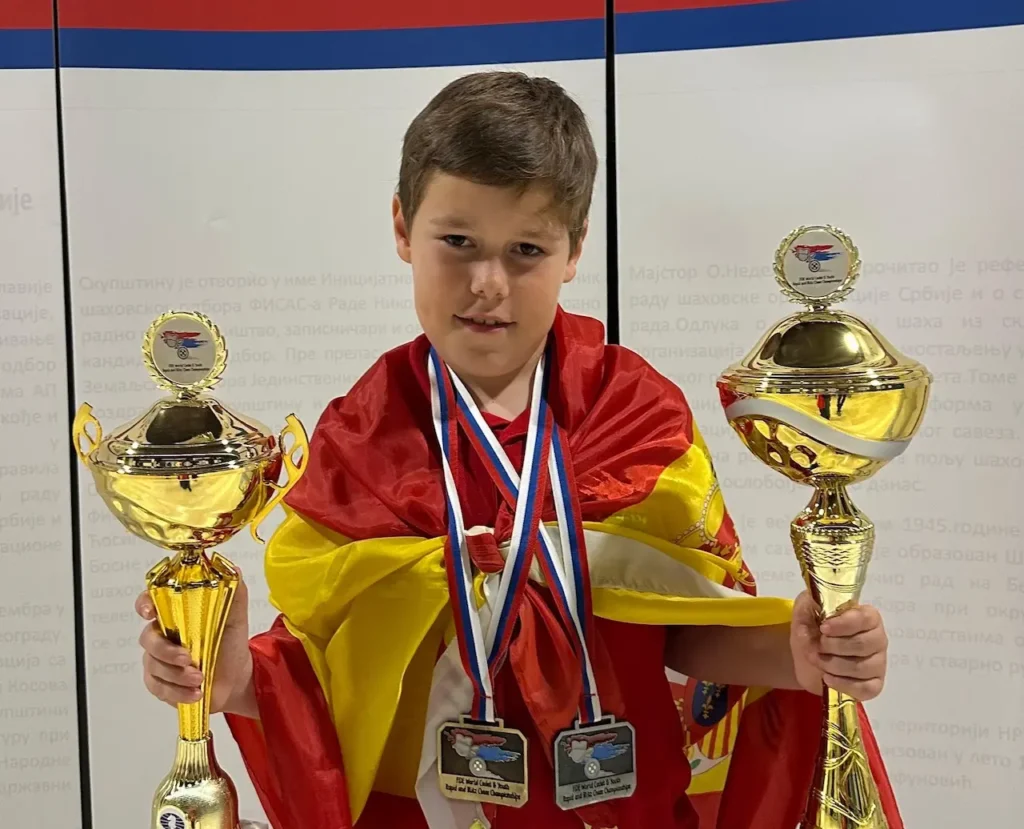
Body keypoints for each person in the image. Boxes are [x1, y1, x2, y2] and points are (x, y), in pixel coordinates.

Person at [135, 71, 901, 829]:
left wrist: (798, 655)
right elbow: (332, 669)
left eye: (526, 248)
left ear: (574, 251)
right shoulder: (362, 434)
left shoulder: (634, 414)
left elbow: (686, 627)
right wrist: (231, 677)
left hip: (616, 809)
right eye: (458, 242)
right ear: (403, 228)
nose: (488, 282)